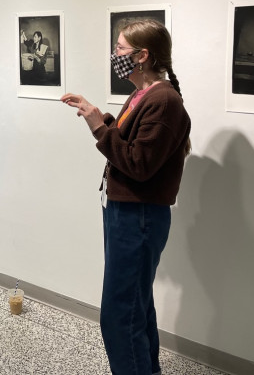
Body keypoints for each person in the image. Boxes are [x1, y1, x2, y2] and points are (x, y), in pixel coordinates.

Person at [61, 19, 191, 375]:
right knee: (136, 305)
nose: (114, 55)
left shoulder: (163, 100)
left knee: (119, 316)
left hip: (140, 217)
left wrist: (97, 127)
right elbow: (131, 143)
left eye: (119, 49)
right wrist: (98, 114)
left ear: (142, 55)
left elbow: (138, 164)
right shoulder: (143, 95)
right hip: (126, 212)